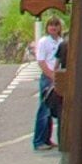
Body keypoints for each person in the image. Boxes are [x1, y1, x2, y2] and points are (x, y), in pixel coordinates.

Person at [31, 15, 64, 150]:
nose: (53, 27)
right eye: (51, 25)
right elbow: (41, 61)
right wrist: (51, 75)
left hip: (58, 76)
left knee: (52, 109)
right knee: (44, 109)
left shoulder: (61, 41)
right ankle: (38, 141)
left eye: (56, 25)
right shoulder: (44, 41)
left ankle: (47, 139)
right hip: (48, 77)